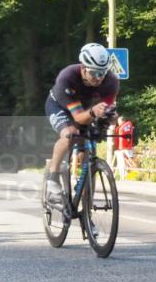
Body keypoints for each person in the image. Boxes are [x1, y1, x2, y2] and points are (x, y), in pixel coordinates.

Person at [45, 43, 120, 204]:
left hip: (87, 108)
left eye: (102, 72)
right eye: (94, 73)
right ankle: (52, 177)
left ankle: (87, 215)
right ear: (83, 68)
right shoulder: (67, 77)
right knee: (71, 133)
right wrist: (94, 112)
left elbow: (108, 109)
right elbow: (78, 117)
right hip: (60, 106)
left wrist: (110, 116)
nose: (98, 77)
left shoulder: (111, 81)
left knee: (88, 156)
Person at [113, 113, 136, 178]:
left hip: (125, 148)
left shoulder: (126, 126)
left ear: (123, 121)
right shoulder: (126, 126)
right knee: (124, 163)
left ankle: (132, 175)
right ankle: (127, 176)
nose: (118, 122)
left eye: (119, 121)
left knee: (128, 162)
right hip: (123, 148)